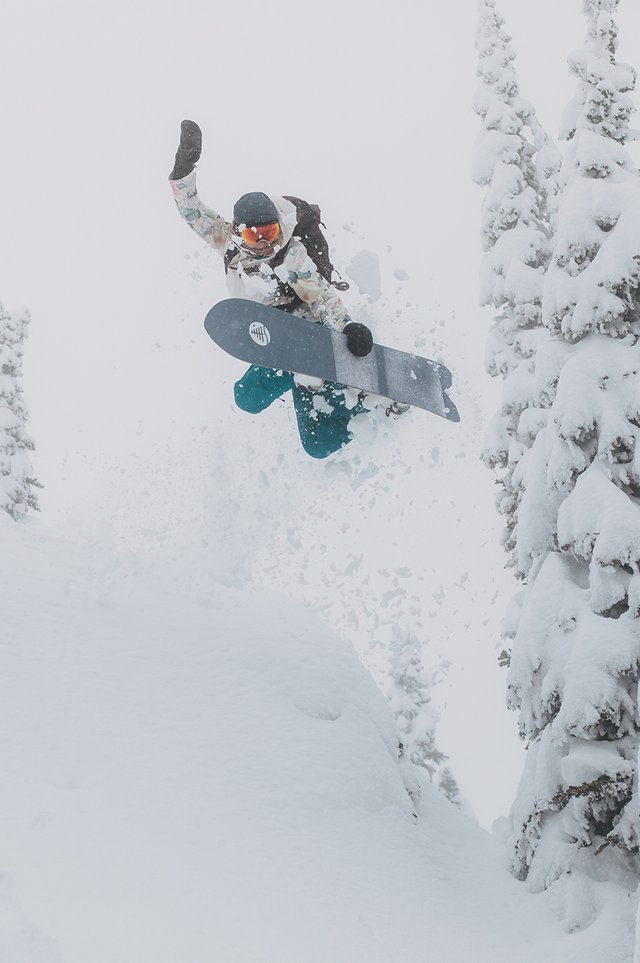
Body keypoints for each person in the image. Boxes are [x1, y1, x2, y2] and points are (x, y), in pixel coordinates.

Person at [169, 119, 376, 459]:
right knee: (245, 399)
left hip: (309, 337)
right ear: (239, 232)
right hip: (274, 345)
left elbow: (321, 296)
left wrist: (347, 326)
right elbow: (194, 214)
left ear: (279, 226)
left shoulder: (290, 255)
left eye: (268, 232)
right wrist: (183, 170)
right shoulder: (228, 243)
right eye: (254, 235)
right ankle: (332, 392)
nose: (263, 243)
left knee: (318, 445)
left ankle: (369, 405)